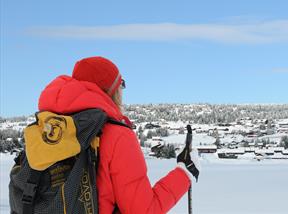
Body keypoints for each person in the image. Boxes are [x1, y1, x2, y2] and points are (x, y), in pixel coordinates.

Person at [38, 56, 200, 213]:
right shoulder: (116, 135)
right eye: (121, 85)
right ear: (112, 91)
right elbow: (144, 211)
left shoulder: (45, 130)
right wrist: (184, 173)